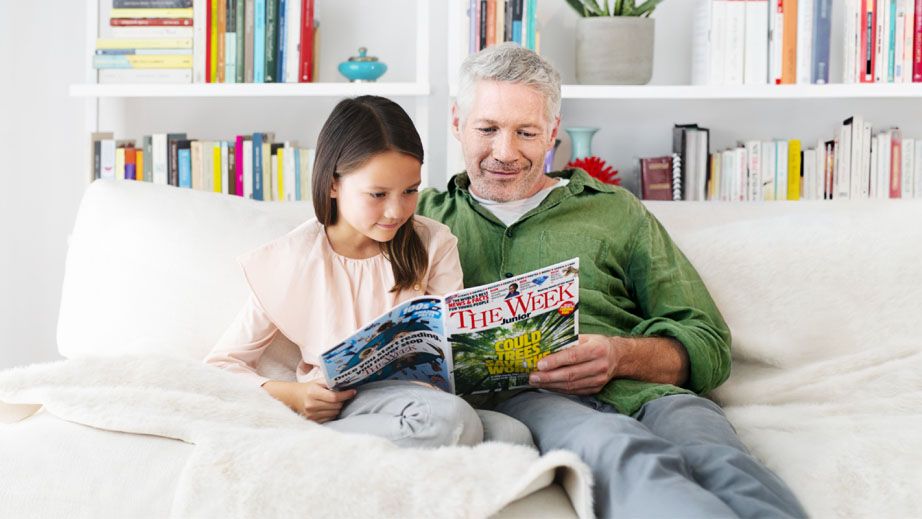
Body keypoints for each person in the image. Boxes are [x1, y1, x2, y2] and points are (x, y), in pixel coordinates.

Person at [417, 42, 807, 518]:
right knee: (620, 450)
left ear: (553, 132)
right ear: (457, 122)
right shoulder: (421, 219)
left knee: (723, 462)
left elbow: (708, 342)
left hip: (655, 395)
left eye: (526, 131)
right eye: (487, 129)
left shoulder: (614, 209)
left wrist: (620, 355)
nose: (505, 152)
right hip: (537, 401)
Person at [206, 95, 482, 448]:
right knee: (448, 422)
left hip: (424, 399)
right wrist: (293, 394)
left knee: (511, 435)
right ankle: (298, 446)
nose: (397, 210)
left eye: (410, 191)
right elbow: (219, 365)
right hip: (347, 406)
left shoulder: (434, 244)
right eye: (378, 194)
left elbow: (455, 352)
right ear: (333, 183)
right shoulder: (295, 259)